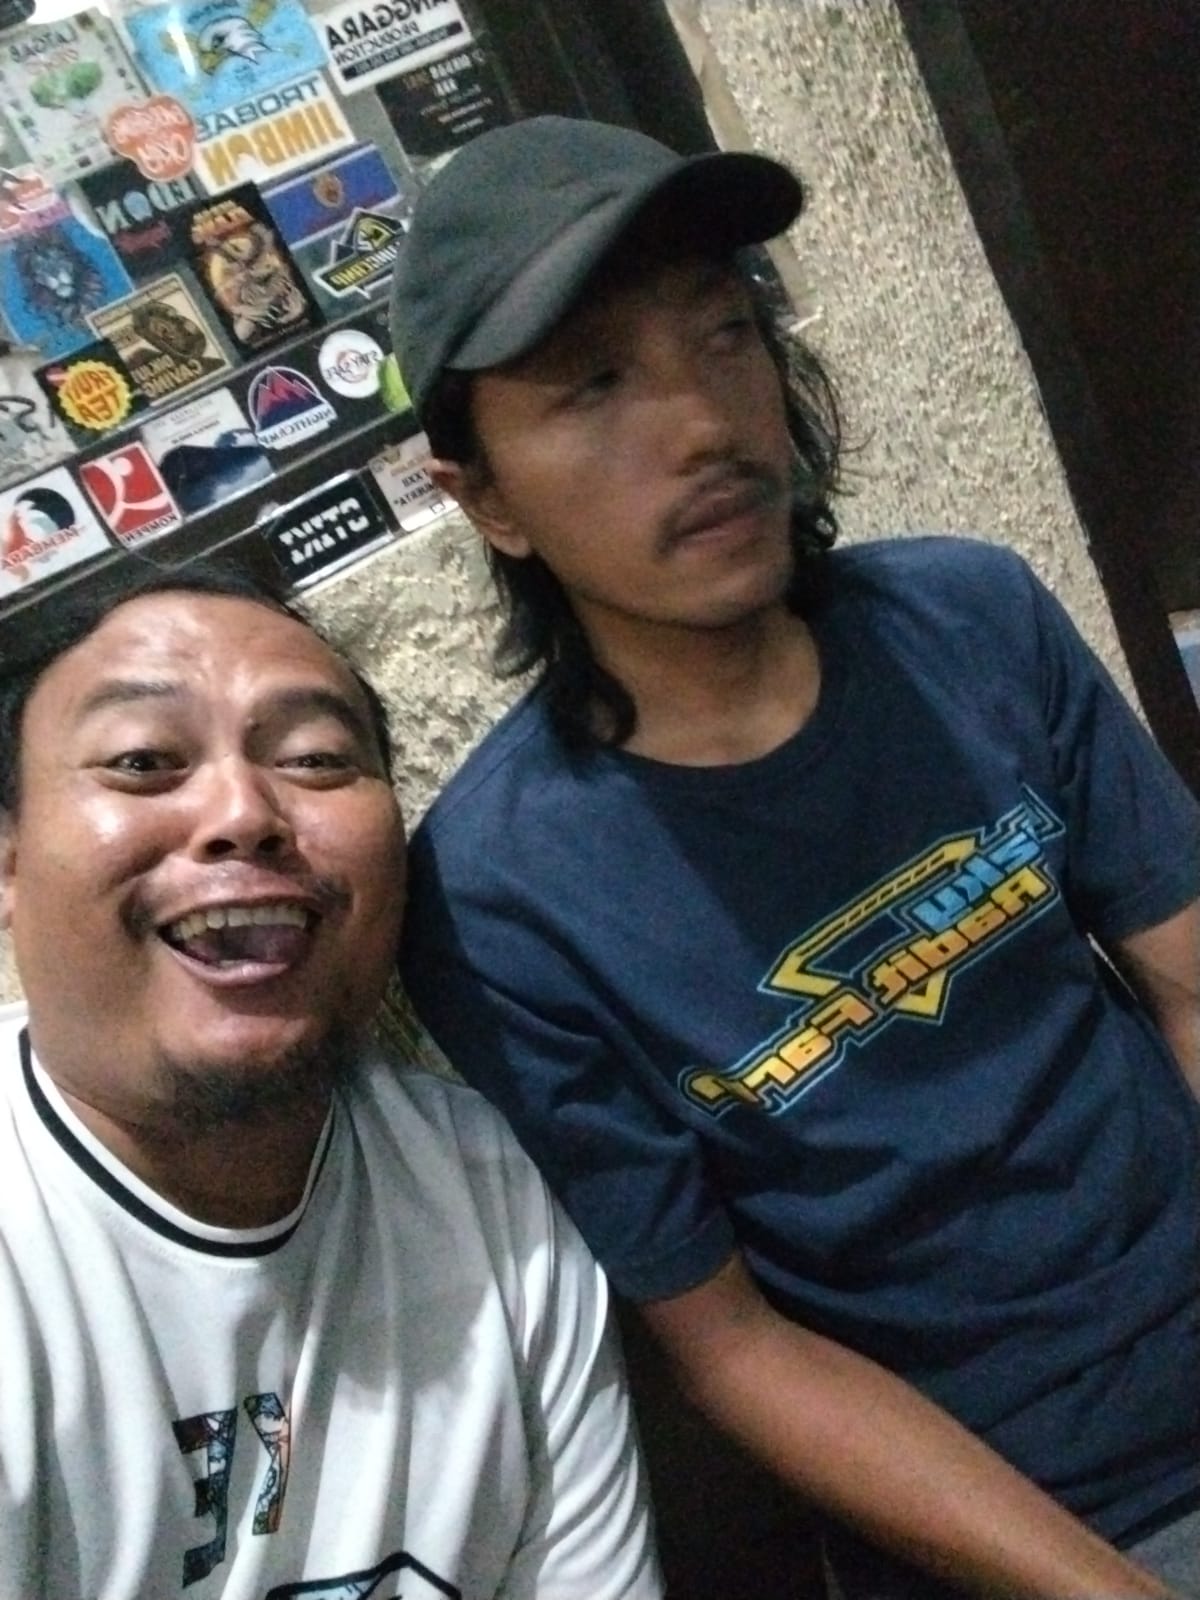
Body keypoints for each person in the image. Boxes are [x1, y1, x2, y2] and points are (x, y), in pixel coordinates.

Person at [391, 116, 1200, 1599]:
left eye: (725, 335)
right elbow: (731, 1346)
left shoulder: (972, 620)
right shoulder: (497, 897)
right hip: (1018, 1522)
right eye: (594, 385)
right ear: (484, 495)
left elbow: (1191, 984)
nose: (705, 424)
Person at [0, 561, 662, 1600]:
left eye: (314, 758)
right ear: (8, 865)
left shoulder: (487, 1187)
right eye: (143, 761)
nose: (243, 811)